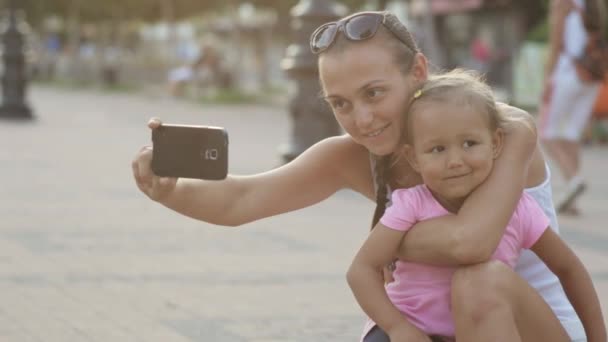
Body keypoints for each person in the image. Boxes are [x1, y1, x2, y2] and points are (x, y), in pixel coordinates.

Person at [133, 11, 589, 341]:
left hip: (525, 325)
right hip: (429, 325)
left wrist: (389, 244)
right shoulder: (351, 156)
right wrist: (168, 191)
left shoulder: (497, 131)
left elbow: (470, 244)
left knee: (479, 280)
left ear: (418, 71)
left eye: (374, 93)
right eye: (341, 103)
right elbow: (240, 201)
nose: (363, 118)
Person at [347, 69, 605, 342]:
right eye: (437, 149)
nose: (455, 160)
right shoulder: (411, 204)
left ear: (495, 144)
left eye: (469, 143)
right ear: (413, 158)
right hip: (416, 332)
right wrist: (398, 327)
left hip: (488, 331)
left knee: (477, 279)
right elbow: (361, 270)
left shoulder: (517, 208)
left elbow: (569, 268)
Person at [540, 0, 607, 214]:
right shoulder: (595, 4)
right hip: (592, 76)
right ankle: (573, 201)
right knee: (571, 135)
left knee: (546, 135)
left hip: (567, 74)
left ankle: (574, 181)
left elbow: (556, 43)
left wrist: (547, 79)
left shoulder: (562, 3)